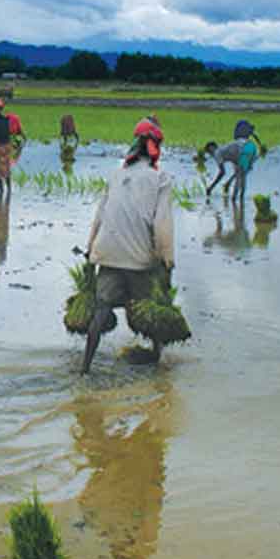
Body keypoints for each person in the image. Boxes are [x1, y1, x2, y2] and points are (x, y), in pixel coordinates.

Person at [81, 117, 175, 374]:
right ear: (155, 148)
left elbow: (100, 215)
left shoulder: (116, 174)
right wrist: (167, 260)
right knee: (150, 306)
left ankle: (85, 366)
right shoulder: (161, 179)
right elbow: (162, 224)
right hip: (139, 259)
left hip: (107, 253)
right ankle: (157, 362)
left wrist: (91, 251)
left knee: (101, 309)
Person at [204, 119, 266, 205]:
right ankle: (240, 206)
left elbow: (222, 172)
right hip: (251, 147)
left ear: (211, 148)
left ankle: (235, 202)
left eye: (209, 151)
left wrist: (211, 187)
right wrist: (260, 145)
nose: (210, 154)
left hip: (243, 150)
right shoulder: (227, 151)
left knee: (239, 179)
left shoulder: (217, 153)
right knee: (241, 176)